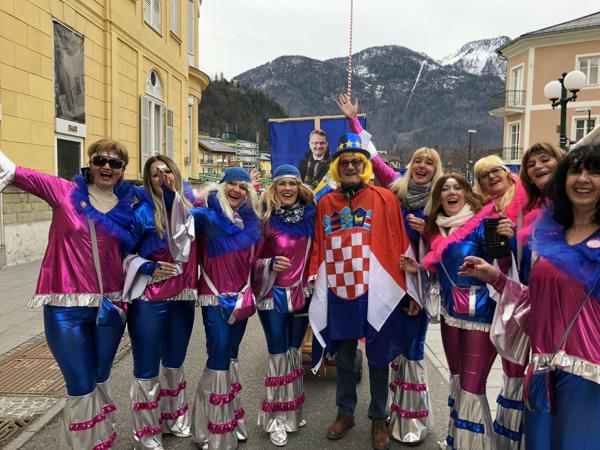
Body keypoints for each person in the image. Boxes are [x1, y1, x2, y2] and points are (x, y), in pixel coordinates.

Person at [459, 145, 600, 450]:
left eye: (594, 171)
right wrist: (495, 277)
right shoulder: (550, 235)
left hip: (589, 380)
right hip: (541, 374)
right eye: (576, 171)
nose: (583, 179)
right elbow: (537, 303)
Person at [0, 141, 136, 449]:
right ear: (90, 163)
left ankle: (99, 441)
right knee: (80, 384)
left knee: (99, 378)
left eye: (115, 163)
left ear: (122, 171)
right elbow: (15, 172)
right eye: (100, 160)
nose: (107, 167)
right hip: (65, 308)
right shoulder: (63, 191)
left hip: (111, 308)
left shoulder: (129, 206)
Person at [337, 93, 443, 445]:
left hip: (417, 279)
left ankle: (401, 418)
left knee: (404, 348)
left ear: (436, 169)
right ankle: (373, 413)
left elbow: (452, 243)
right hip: (382, 276)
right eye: (418, 160)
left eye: (429, 162)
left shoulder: (441, 200)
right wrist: (353, 120)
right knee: (376, 348)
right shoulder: (395, 187)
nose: (422, 166)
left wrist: (427, 233)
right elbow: (372, 157)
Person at [309, 133, 421, 450]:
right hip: (339, 289)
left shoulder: (384, 198)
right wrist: (313, 279)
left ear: (365, 166)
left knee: (378, 356)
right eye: (344, 162)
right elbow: (318, 244)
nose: (350, 167)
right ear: (336, 167)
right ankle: (345, 412)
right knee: (344, 356)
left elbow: (400, 243)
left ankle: (378, 417)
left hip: (376, 287)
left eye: (356, 162)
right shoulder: (325, 202)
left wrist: (410, 290)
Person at [418, 173, 514, 450]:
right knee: (458, 381)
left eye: (457, 187)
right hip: (450, 317)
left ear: (466, 193)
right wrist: (420, 267)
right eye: (445, 188)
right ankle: (455, 441)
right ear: (439, 198)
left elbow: (504, 266)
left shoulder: (483, 224)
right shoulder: (437, 229)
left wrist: (505, 241)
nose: (451, 192)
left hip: (481, 318)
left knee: (472, 387)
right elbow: (441, 268)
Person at [123, 155, 198, 449]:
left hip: (183, 298)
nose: (163, 177)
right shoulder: (141, 214)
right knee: (147, 366)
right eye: (156, 174)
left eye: (167, 172)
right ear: (149, 180)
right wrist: (148, 266)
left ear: (176, 175)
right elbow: (121, 255)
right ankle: (146, 432)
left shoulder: (191, 210)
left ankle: (174, 419)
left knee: (175, 362)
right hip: (149, 300)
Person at [183, 167, 260, 450]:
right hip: (214, 299)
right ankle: (210, 431)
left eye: (243, 186)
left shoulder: (251, 222)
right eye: (232, 184)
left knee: (231, 357)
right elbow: (181, 216)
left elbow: (255, 260)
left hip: (241, 301)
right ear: (221, 186)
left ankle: (231, 420)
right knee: (218, 358)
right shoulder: (207, 216)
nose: (237, 190)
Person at [253, 164, 316, 447]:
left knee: (293, 353)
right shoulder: (264, 219)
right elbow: (251, 260)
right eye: (282, 183)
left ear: (299, 188)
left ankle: (292, 411)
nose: (288, 188)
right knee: (278, 354)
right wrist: (268, 264)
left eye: (292, 183)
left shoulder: (311, 217)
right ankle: (275, 419)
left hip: (302, 295)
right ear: (274, 188)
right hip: (273, 297)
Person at [473, 155, 528, 449]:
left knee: (526, 367)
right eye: (484, 175)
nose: (491, 176)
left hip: (533, 296)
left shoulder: (528, 200)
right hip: (503, 295)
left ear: (507, 173)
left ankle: (523, 437)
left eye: (496, 170)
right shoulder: (485, 211)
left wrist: (515, 236)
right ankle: (508, 437)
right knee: (511, 365)